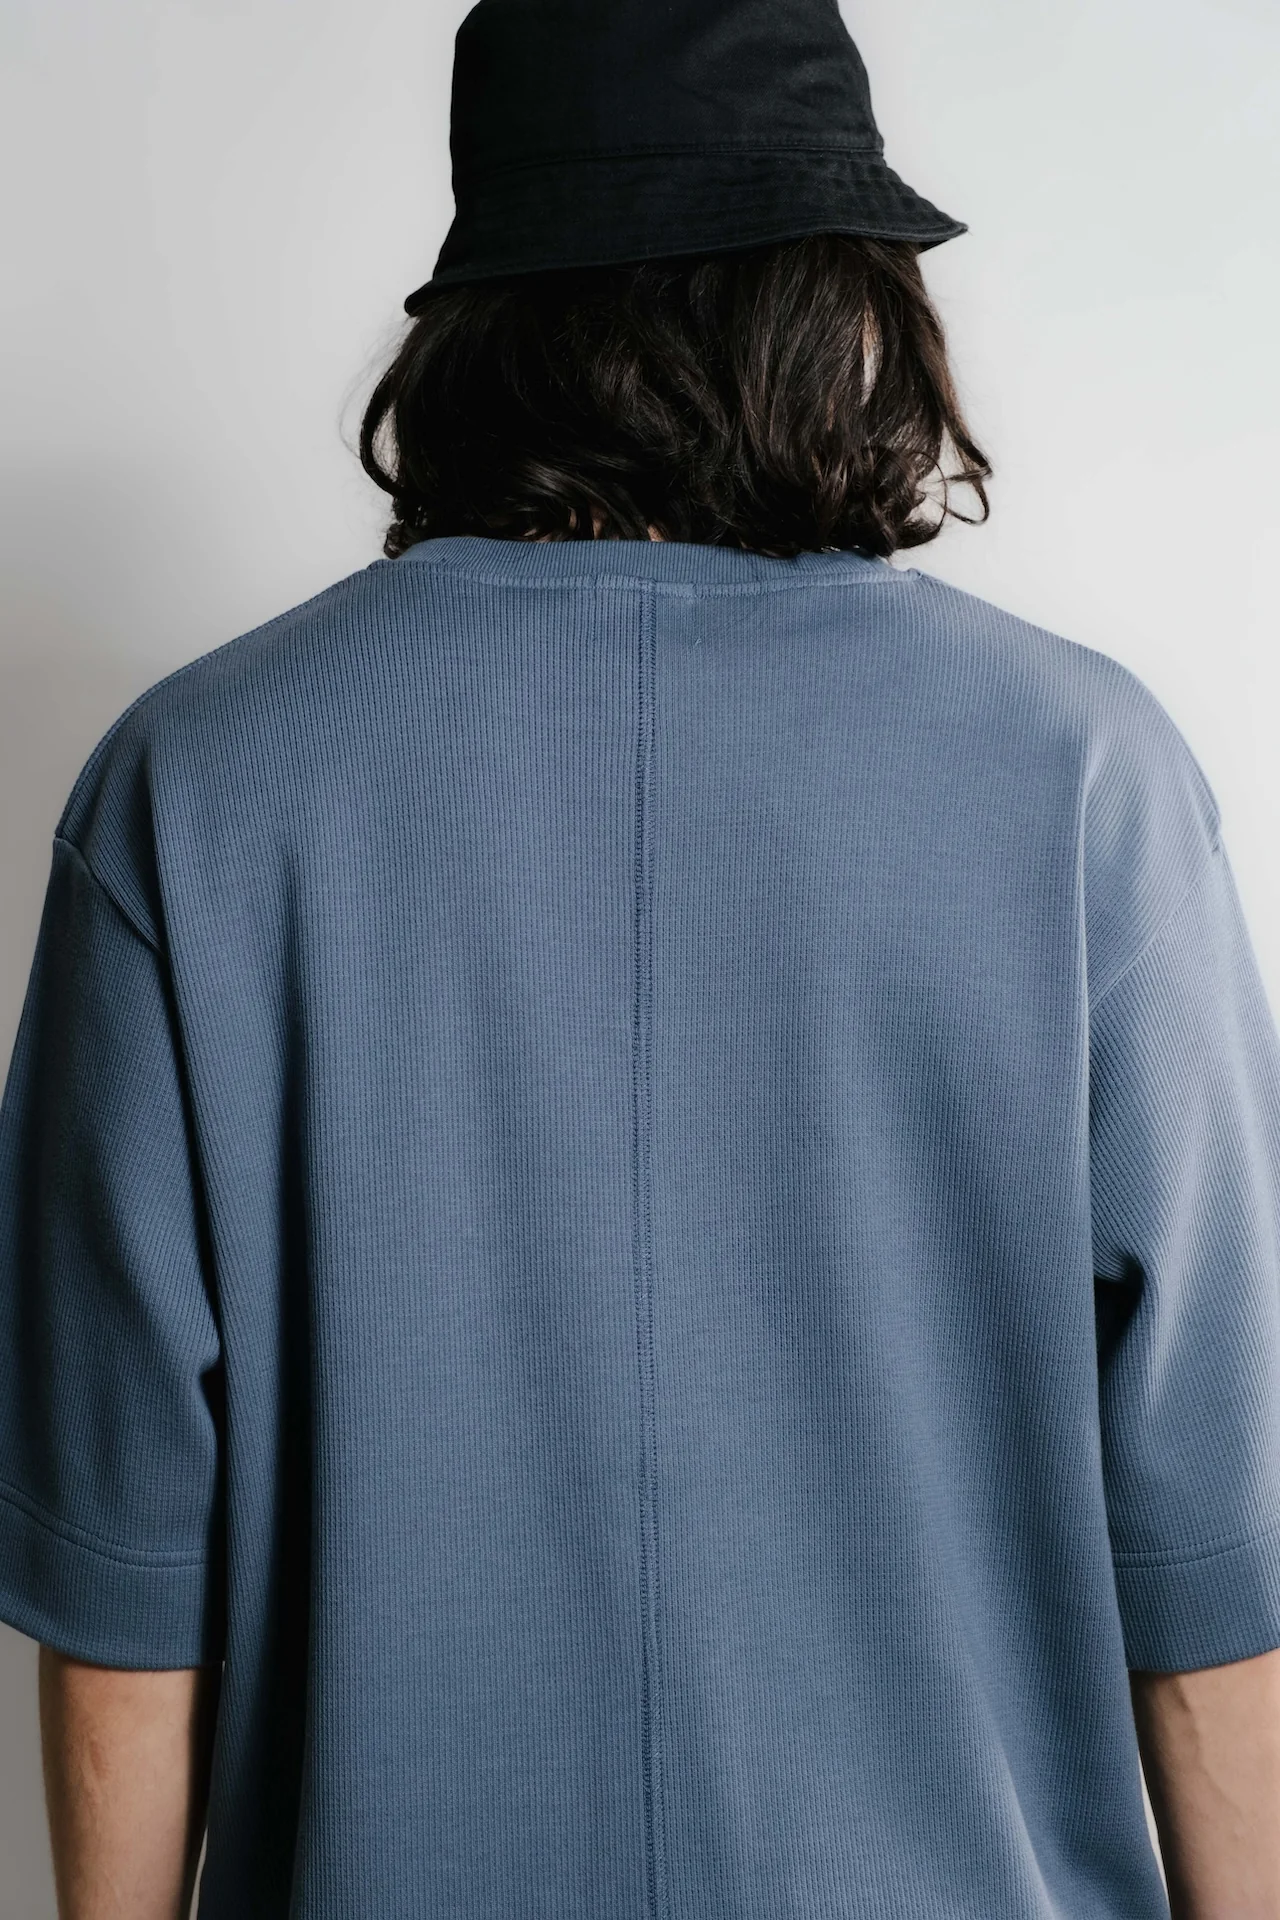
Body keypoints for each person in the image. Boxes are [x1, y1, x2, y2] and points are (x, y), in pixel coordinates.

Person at [2, 1, 1279, 1915]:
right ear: (842, 312)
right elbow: (1211, 1555)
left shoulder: (192, 787)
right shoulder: (1086, 776)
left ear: (477, 330)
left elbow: (122, 1589)